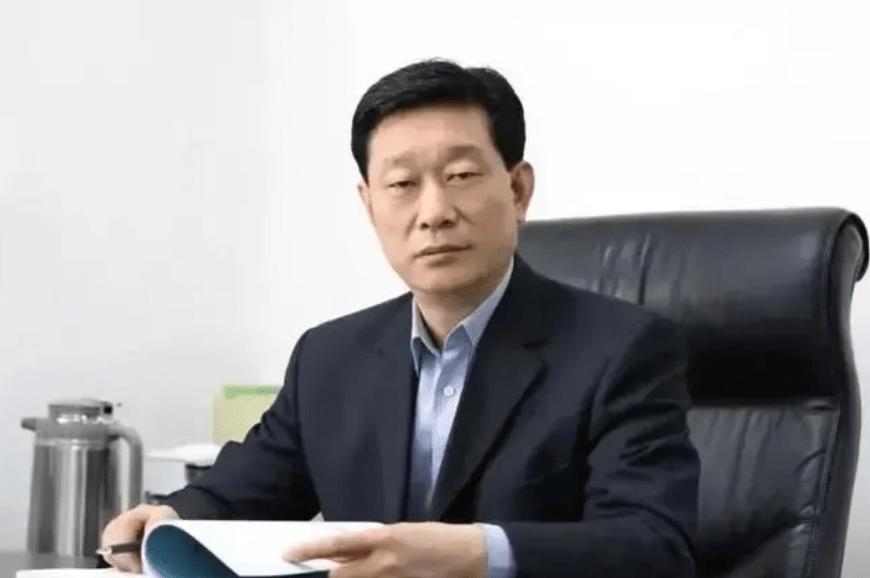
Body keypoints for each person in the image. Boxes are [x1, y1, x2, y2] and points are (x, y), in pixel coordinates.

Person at [102, 59, 700, 578]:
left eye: (461, 176)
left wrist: (472, 554)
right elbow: (243, 493)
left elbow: (653, 547)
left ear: (518, 190)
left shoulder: (621, 349)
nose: (434, 211)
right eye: (402, 184)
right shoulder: (329, 357)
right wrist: (170, 517)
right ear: (369, 204)